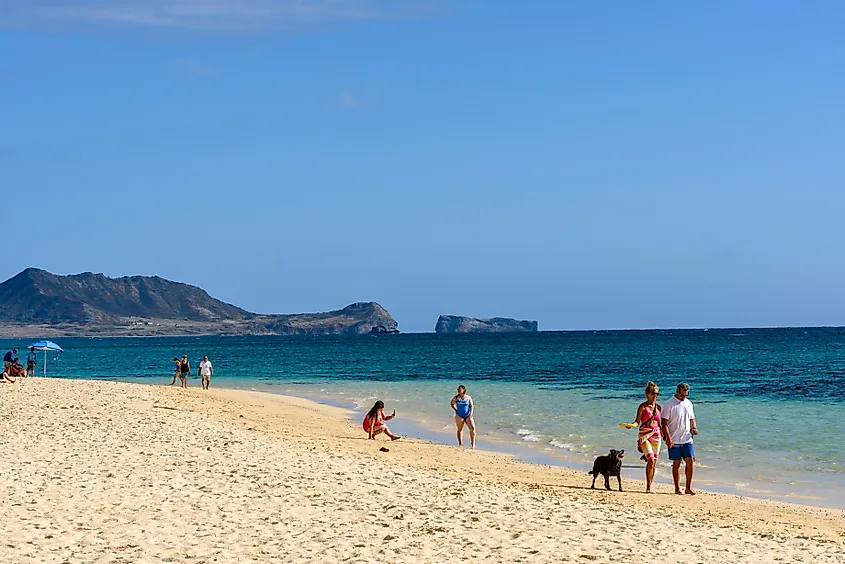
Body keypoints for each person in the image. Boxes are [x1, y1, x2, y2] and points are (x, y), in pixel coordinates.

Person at [661, 382, 699, 495]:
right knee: (676, 463)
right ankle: (677, 488)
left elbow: (692, 418)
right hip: (674, 439)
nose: (684, 398)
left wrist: (694, 428)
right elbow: (664, 422)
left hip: (687, 438)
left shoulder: (688, 403)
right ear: (677, 391)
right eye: (682, 395)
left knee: (690, 461)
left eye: (686, 395)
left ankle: (688, 487)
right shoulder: (669, 404)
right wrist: (667, 437)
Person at [633, 381, 663, 493]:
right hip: (644, 434)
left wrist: (667, 437)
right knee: (651, 460)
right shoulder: (643, 406)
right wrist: (631, 425)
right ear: (647, 394)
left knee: (654, 461)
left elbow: (660, 424)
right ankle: (648, 488)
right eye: (653, 393)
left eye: (657, 394)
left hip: (656, 434)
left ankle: (650, 484)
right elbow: (637, 421)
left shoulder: (659, 407)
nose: (655, 396)